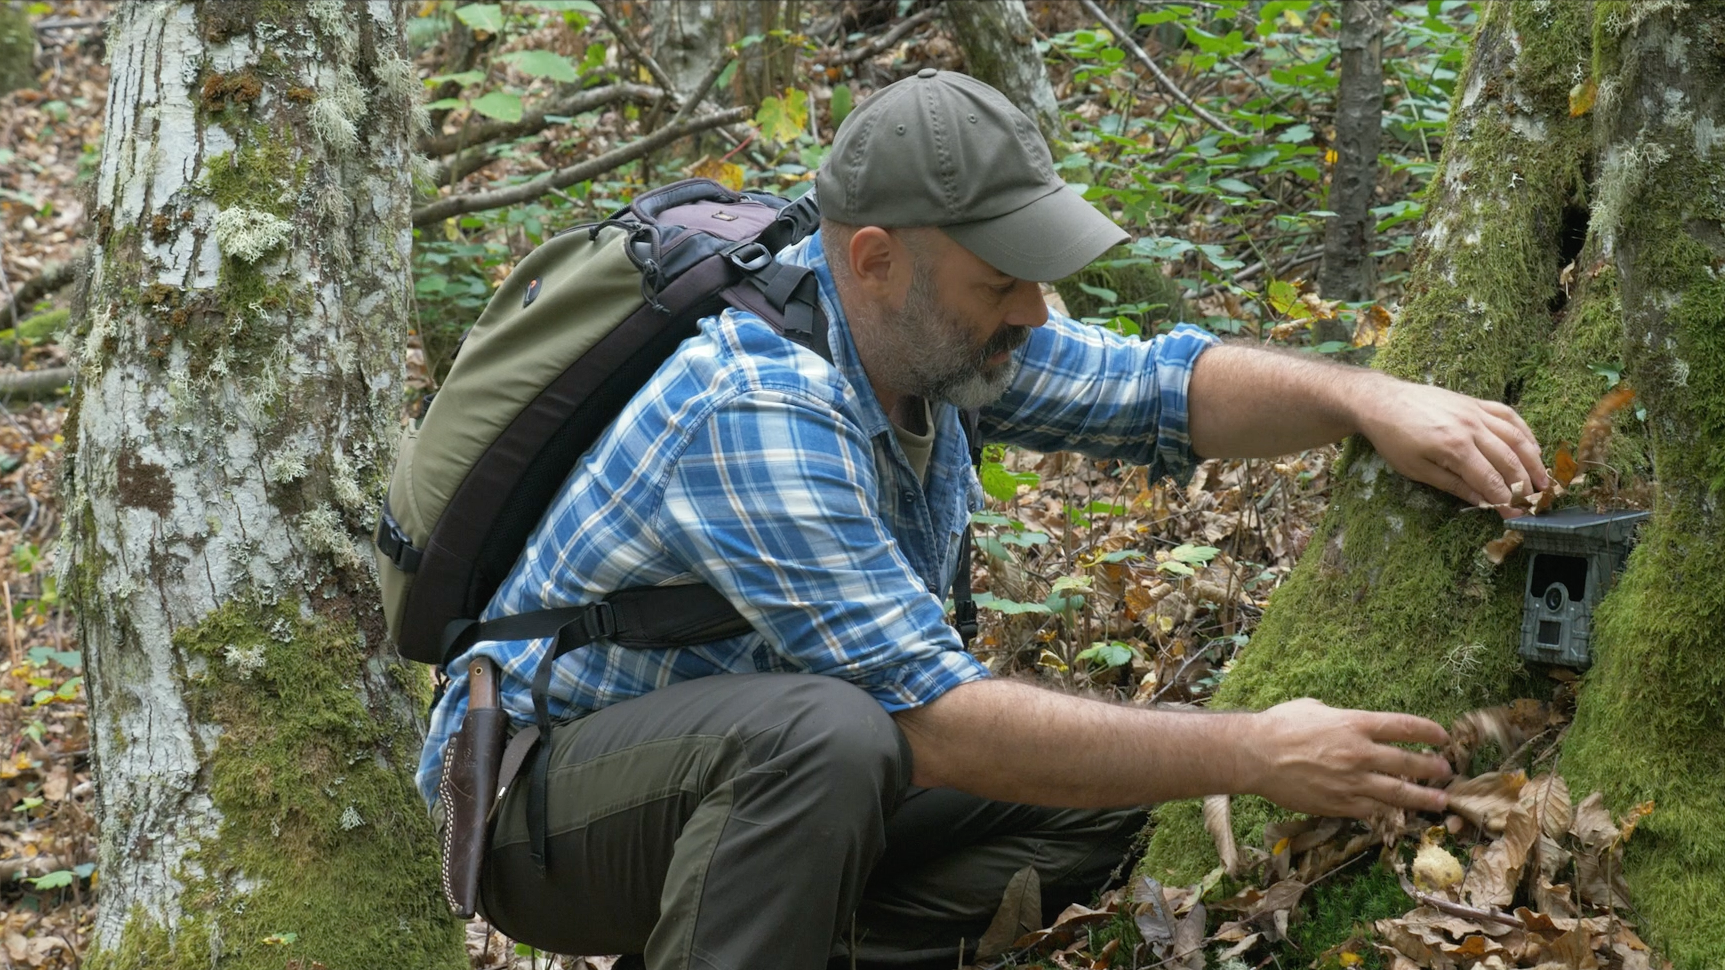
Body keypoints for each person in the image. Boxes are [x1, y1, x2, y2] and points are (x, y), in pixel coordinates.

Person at [414, 70, 1549, 970]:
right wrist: (1256, 750)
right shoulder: (756, 402)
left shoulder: (934, 338)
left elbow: (1160, 389)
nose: (1032, 311)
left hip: (744, 782)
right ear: (873, 259)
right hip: (542, 803)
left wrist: (1368, 396)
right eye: (1001, 280)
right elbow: (941, 718)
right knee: (832, 736)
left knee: (1116, 794)